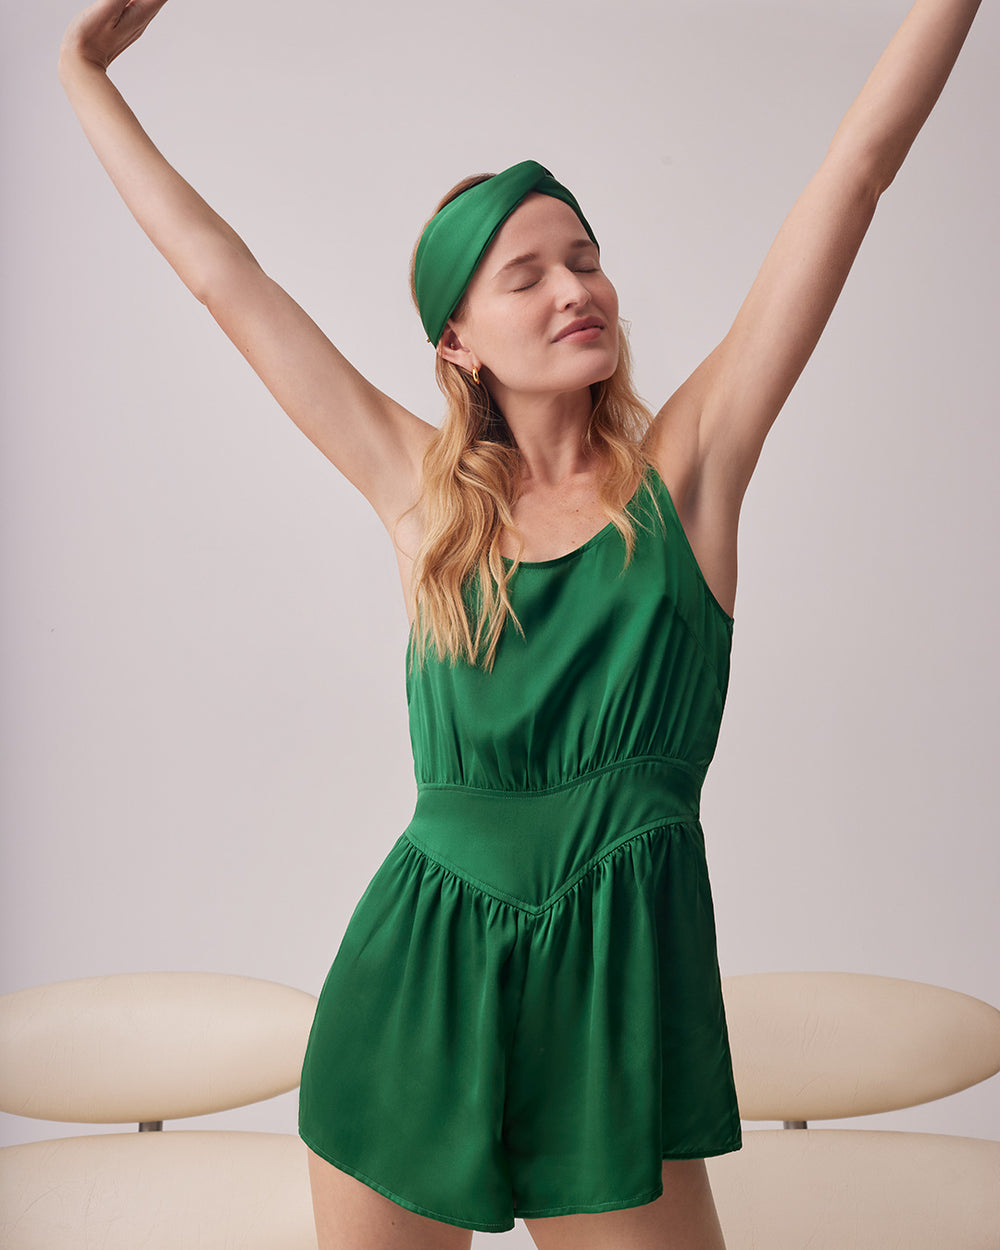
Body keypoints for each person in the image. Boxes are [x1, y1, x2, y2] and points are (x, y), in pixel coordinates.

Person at [57, 1, 983, 1247]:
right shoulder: (417, 503)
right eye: (527, 273)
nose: (576, 289)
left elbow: (856, 169)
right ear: (456, 339)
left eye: (585, 257)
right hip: (410, 994)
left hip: (614, 1005)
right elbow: (226, 279)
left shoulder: (688, 479)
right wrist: (79, 74)